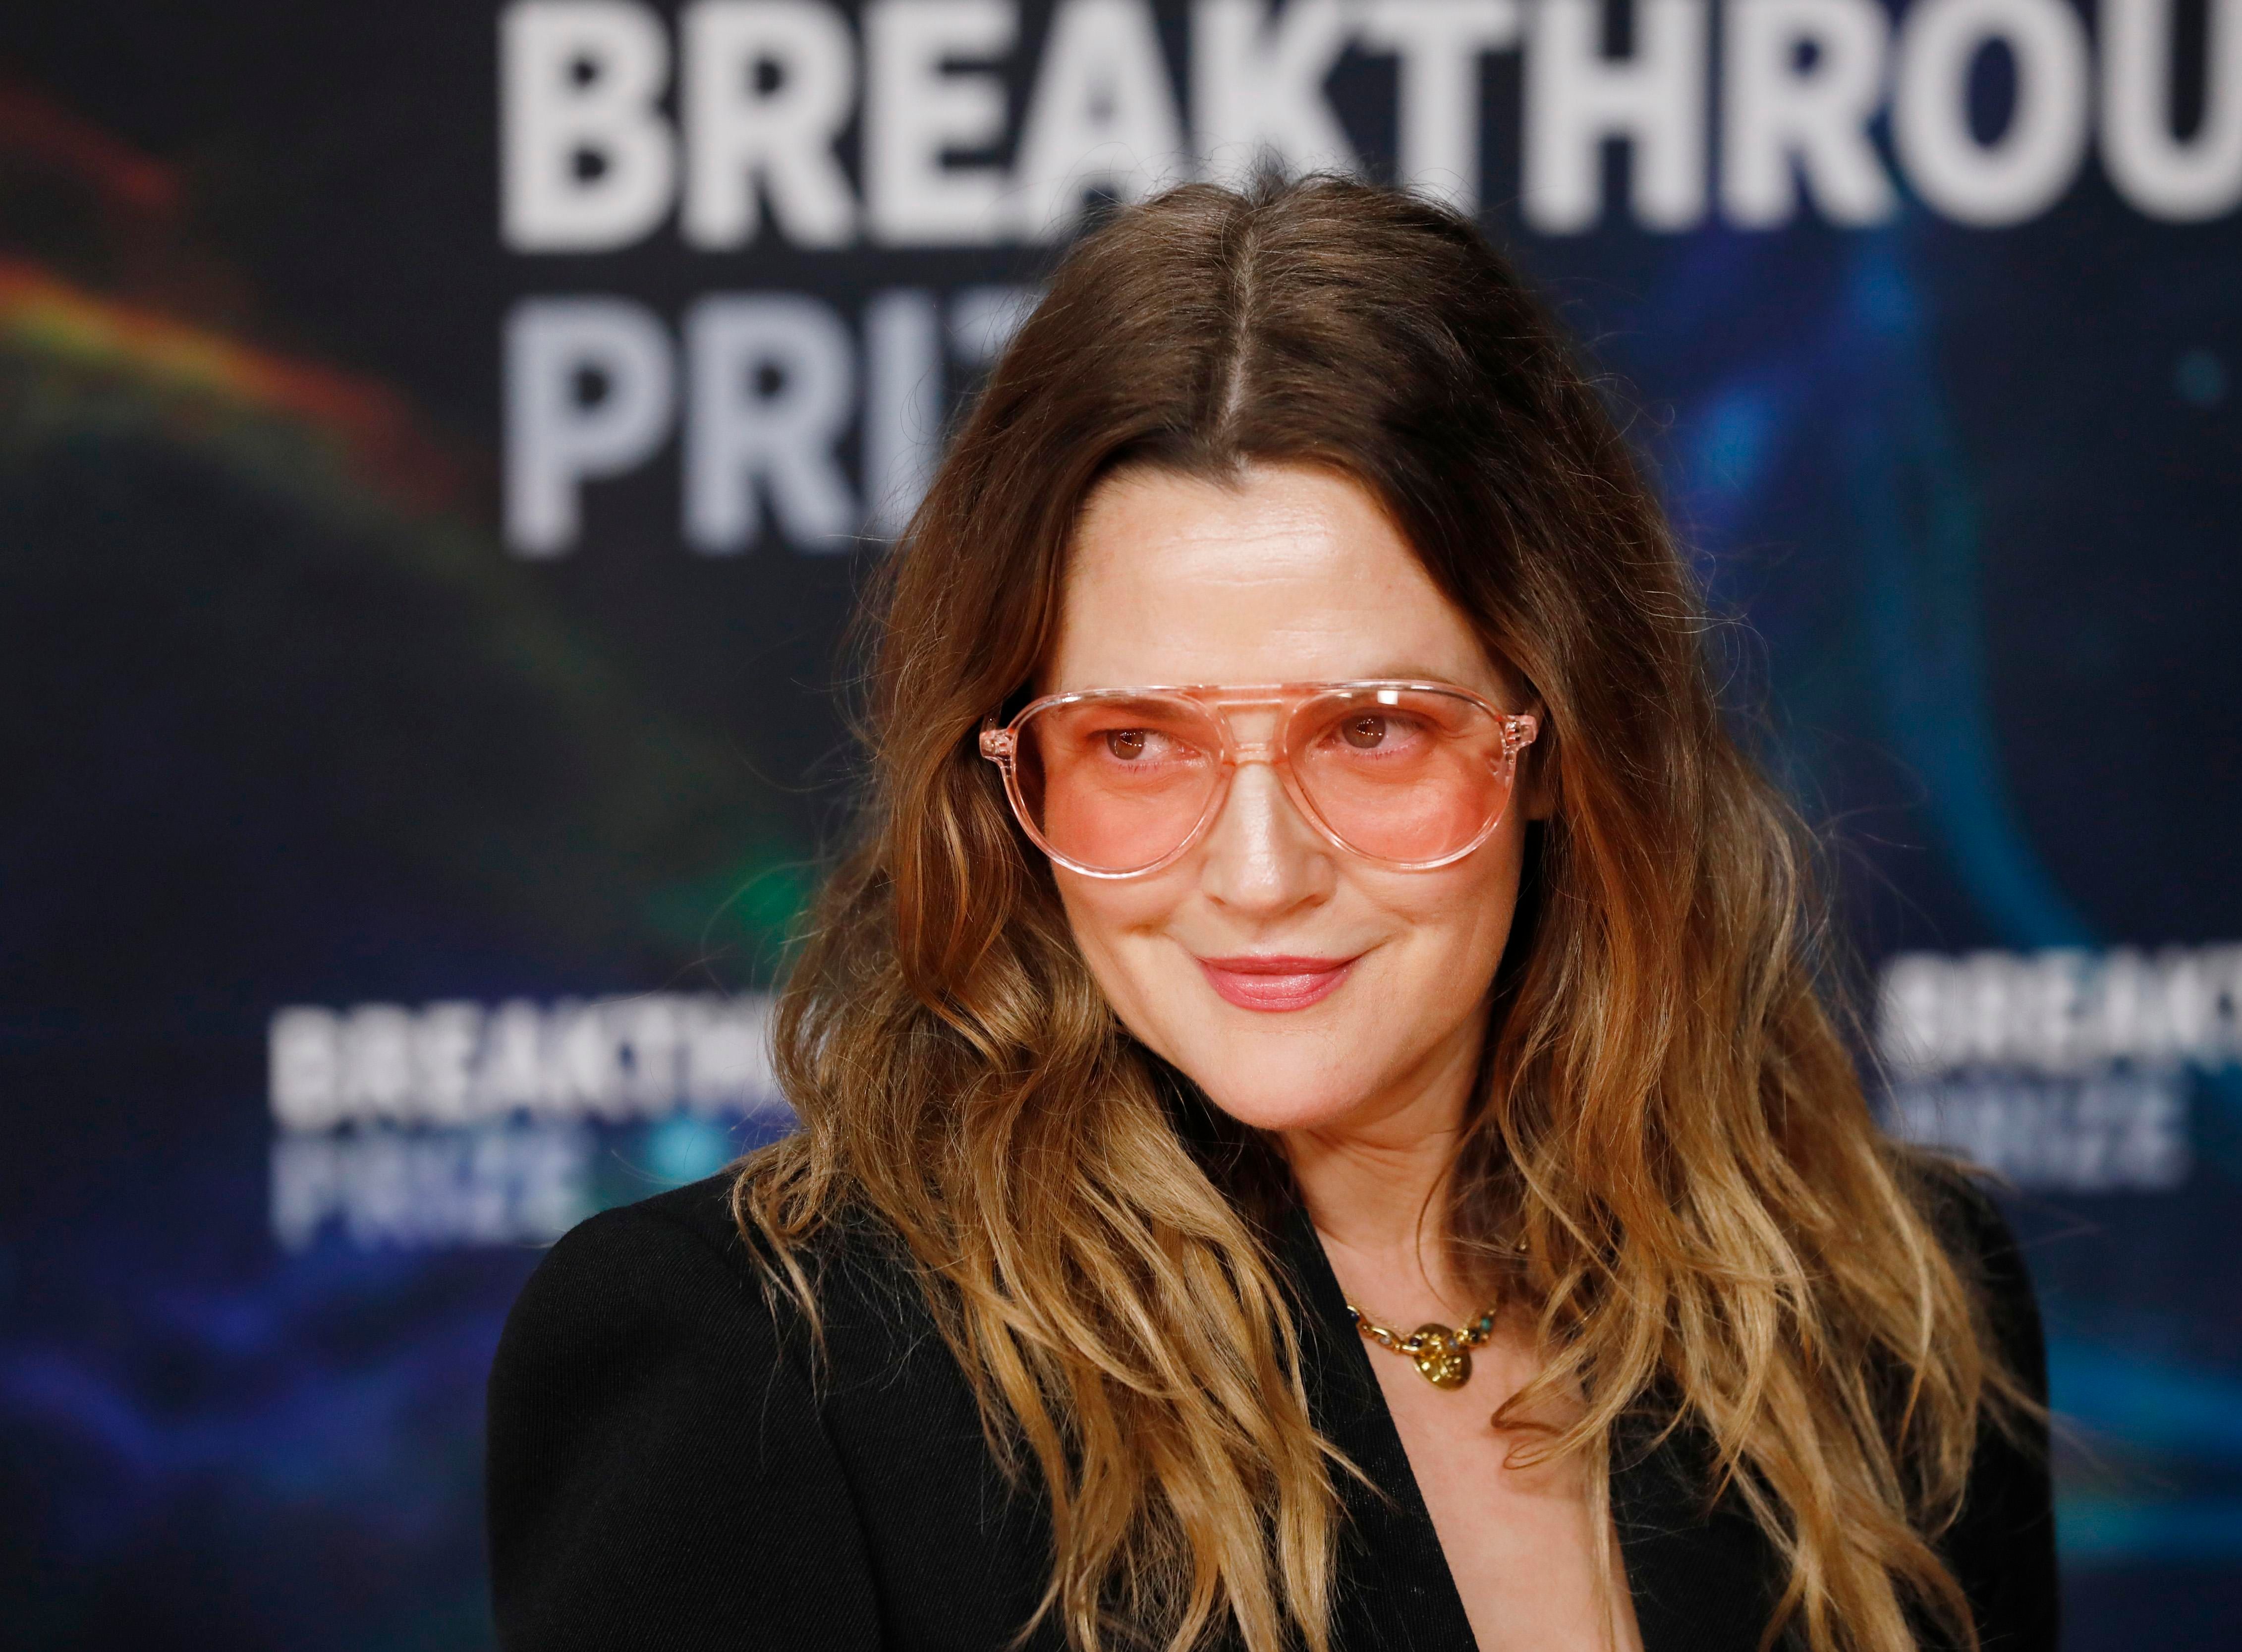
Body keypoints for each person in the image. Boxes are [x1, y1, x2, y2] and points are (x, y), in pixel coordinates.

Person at [487, 175, 2054, 1652]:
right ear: (1005, 775)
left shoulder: (1887, 1303)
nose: (1256, 872)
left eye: (1371, 729)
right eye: (1134, 744)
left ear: (1560, 741)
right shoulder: (766, 1364)